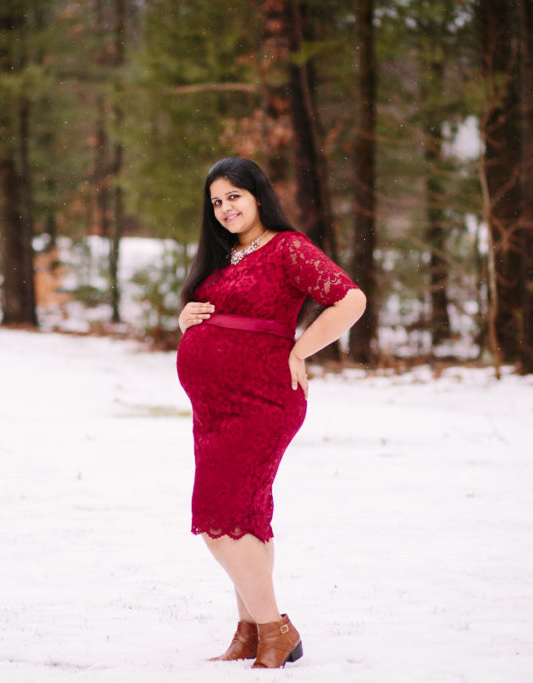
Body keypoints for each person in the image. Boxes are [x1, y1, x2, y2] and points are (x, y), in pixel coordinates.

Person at [176, 157, 367, 669]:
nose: (225, 208)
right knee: (246, 518)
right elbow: (213, 311)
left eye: (234, 196)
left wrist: (301, 350)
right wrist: (186, 317)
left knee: (217, 519)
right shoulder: (223, 255)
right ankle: (250, 632)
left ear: (259, 194)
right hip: (212, 408)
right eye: (216, 202)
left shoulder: (289, 248)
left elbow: (351, 300)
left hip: (262, 400)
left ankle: (276, 629)